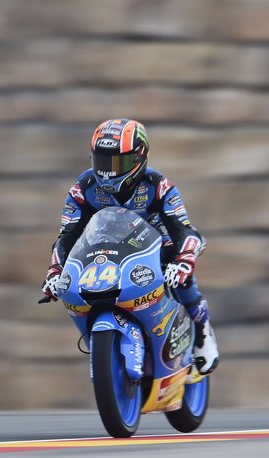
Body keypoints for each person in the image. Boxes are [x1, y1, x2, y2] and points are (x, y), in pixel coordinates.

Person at [41, 118, 219, 375]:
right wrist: (55, 272)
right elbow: (67, 236)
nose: (108, 172)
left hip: (154, 244)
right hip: (104, 248)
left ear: (139, 157)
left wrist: (183, 261)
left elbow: (185, 230)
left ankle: (202, 328)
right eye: (102, 162)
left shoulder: (159, 186)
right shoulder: (83, 188)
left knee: (177, 267)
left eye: (117, 163)